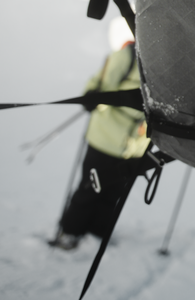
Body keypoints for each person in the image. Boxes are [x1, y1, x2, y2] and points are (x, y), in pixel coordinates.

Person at [50, 41, 150, 250]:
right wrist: (92, 96)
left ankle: (98, 232)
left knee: (114, 192)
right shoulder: (127, 56)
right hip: (104, 138)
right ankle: (70, 232)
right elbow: (101, 85)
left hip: (136, 146)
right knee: (89, 188)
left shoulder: (171, 65)